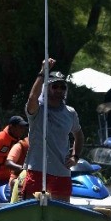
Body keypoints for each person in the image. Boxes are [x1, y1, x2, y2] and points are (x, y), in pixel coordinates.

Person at [24, 61, 83, 200]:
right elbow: (32, 98)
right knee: (31, 206)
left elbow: (79, 135)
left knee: (62, 210)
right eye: (55, 86)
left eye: (62, 87)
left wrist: (75, 157)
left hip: (62, 173)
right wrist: (42, 72)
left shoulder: (70, 113)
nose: (59, 90)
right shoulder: (37, 110)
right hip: (37, 170)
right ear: (47, 88)